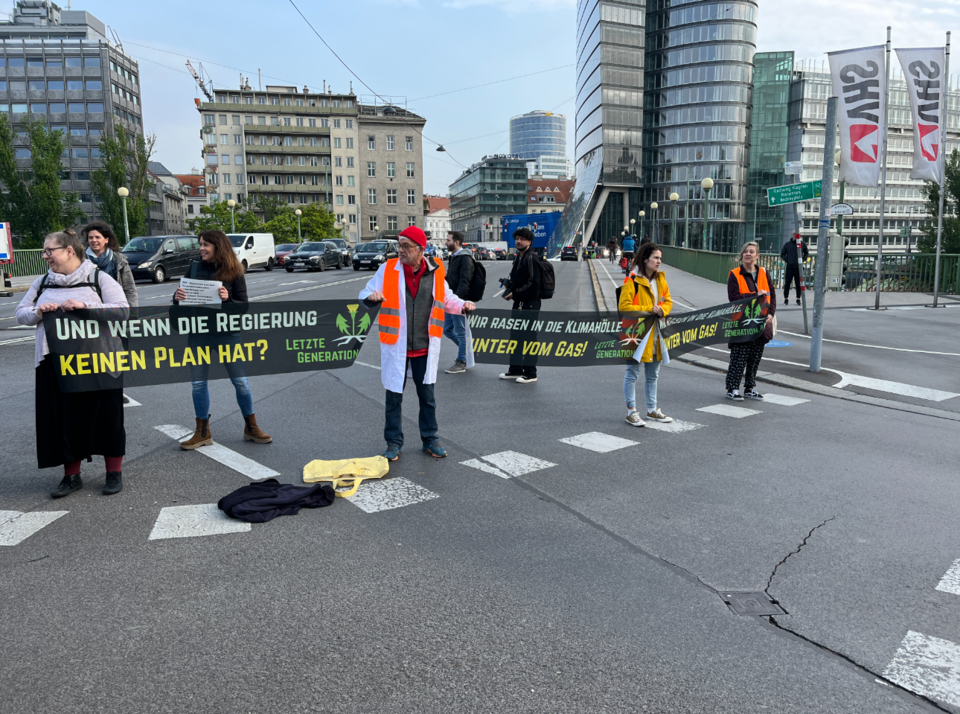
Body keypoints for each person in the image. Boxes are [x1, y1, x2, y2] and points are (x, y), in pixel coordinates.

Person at [16, 231, 130, 497]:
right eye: (44, 251)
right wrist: (37, 312)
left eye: (49, 251)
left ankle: (113, 473)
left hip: (99, 360)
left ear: (69, 251)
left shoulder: (99, 278)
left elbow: (122, 310)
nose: (45, 256)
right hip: (56, 362)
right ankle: (71, 476)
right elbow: (21, 314)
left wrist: (84, 306)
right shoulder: (42, 283)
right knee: (66, 418)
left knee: (108, 417)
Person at [360, 226, 475, 461]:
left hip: (424, 345)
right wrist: (371, 297)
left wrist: (463, 304)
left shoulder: (435, 270)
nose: (400, 250)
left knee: (427, 398)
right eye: (399, 245)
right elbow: (365, 293)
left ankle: (430, 439)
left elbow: (447, 298)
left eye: (406, 246)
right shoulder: (388, 269)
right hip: (397, 346)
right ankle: (393, 442)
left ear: (421, 249)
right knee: (394, 397)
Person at [173, 230, 272, 449]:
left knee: (240, 381)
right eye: (200, 244)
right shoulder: (194, 268)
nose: (201, 248)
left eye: (206, 244)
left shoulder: (234, 270)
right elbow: (181, 299)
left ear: (218, 246)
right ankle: (202, 432)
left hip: (227, 334)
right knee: (198, 384)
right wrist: (177, 297)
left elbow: (243, 306)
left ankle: (251, 427)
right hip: (198, 333)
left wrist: (228, 300)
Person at [619, 243, 674, 427]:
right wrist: (649, 309)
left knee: (653, 375)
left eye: (660, 258)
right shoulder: (632, 280)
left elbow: (668, 301)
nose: (659, 261)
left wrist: (663, 311)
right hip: (635, 334)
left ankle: (652, 409)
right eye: (656, 258)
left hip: (656, 334)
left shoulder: (661, 280)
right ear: (645, 259)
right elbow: (624, 306)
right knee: (632, 373)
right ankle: (631, 412)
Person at [726, 241, 777, 401]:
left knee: (755, 357)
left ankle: (750, 387)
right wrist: (755, 295)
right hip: (742, 322)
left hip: (761, 321)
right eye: (745, 251)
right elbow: (734, 299)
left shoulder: (764, 273)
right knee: (739, 356)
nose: (748, 254)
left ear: (757, 256)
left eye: (751, 251)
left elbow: (772, 295)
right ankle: (732, 388)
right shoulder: (735, 274)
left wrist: (770, 313)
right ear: (742, 255)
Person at [500, 227, 541, 384]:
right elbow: (519, 280)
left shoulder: (531, 258)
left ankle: (530, 373)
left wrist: (515, 293)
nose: (518, 241)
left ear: (529, 242)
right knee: (516, 336)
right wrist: (510, 285)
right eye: (517, 238)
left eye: (522, 239)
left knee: (529, 337)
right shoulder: (519, 257)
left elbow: (534, 284)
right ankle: (515, 369)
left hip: (530, 303)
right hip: (519, 303)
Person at [81, 221, 138, 308]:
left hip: (114, 308)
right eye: (90, 238)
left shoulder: (119, 260)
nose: (94, 240)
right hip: (91, 309)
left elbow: (130, 289)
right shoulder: (81, 260)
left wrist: (131, 311)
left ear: (106, 240)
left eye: (97, 237)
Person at [443, 230, 474, 374]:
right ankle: (467, 351)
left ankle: (462, 360)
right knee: (447, 330)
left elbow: (465, 281)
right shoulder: (454, 257)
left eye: (448, 240)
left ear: (456, 242)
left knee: (461, 333)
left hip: (458, 301)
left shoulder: (465, 258)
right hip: (450, 300)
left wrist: (459, 303)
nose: (446, 243)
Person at [780, 234, 809, 305]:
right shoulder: (787, 244)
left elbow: (806, 253)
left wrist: (803, 260)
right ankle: (786, 299)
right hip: (790, 267)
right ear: (792, 235)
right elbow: (782, 254)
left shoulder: (802, 244)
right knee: (787, 284)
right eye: (794, 234)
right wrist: (788, 260)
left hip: (798, 267)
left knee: (798, 284)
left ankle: (798, 299)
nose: (795, 236)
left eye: (797, 234)